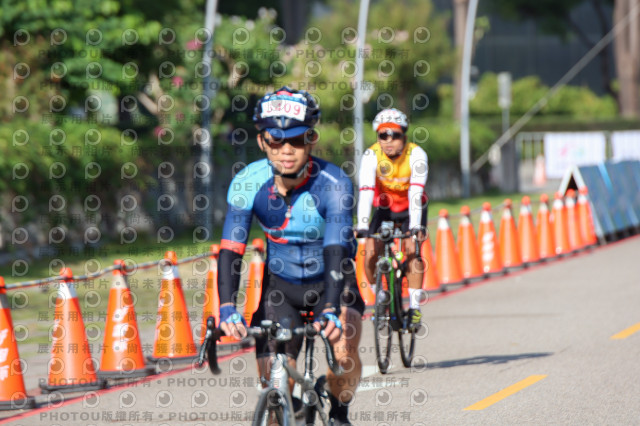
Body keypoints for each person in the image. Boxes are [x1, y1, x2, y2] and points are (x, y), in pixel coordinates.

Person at [217, 86, 363, 426]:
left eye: (296, 140)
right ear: (262, 141)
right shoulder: (248, 182)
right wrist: (226, 307)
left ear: (311, 139)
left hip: (334, 282)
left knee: (344, 353)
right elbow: (231, 250)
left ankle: (338, 409)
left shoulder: (334, 183)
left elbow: (336, 250)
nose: (286, 150)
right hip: (281, 287)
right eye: (276, 140)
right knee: (273, 385)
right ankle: (287, 406)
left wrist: (330, 307)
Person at [355, 108, 429, 325]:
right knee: (370, 253)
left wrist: (414, 227)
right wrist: (362, 225)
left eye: (394, 135)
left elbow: (416, 193)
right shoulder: (371, 155)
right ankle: (379, 296)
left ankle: (414, 307)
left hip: (411, 208)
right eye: (383, 135)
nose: (388, 141)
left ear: (404, 136)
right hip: (385, 208)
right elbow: (366, 191)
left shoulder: (416, 155)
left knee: (412, 251)